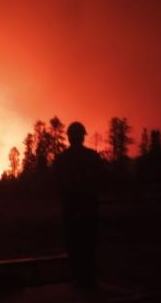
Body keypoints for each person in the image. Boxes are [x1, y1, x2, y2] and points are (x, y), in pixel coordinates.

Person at [53, 121, 104, 288]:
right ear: (82, 137)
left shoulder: (61, 160)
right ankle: (88, 282)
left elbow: (56, 185)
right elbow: (101, 180)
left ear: (69, 137)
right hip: (89, 210)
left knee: (74, 246)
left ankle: (79, 282)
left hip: (71, 211)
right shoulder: (92, 157)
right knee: (89, 246)